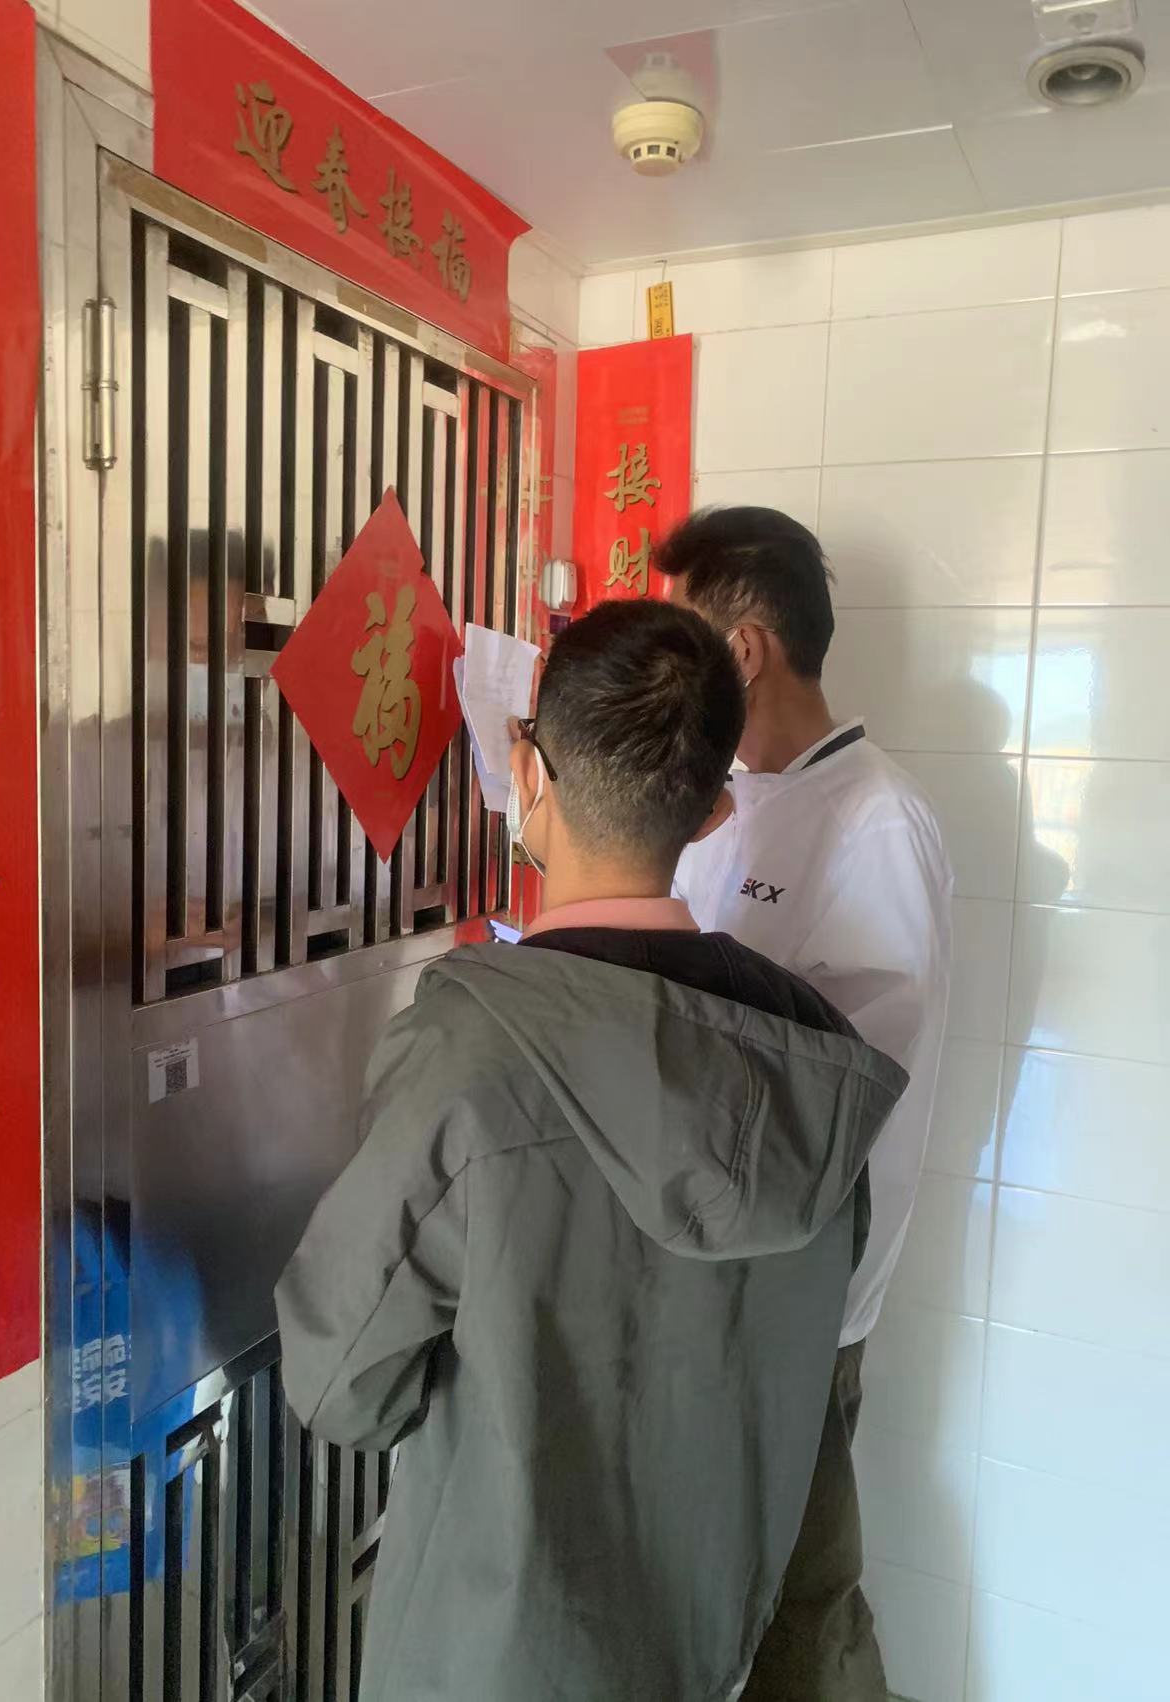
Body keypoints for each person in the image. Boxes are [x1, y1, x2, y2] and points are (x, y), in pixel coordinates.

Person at [276, 599, 907, 1702]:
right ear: (713, 813)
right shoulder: (813, 1062)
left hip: (495, 1655)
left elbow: (341, 1385)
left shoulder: (468, 1052)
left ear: (527, 771)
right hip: (707, 1647)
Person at [664, 506, 954, 1701]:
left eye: (681, 639)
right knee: (734, 1583)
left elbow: (841, 1092)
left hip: (802, 1297)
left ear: (741, 651)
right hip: (718, 1273)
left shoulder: (879, 822)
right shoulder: (723, 805)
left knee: (804, 1596)